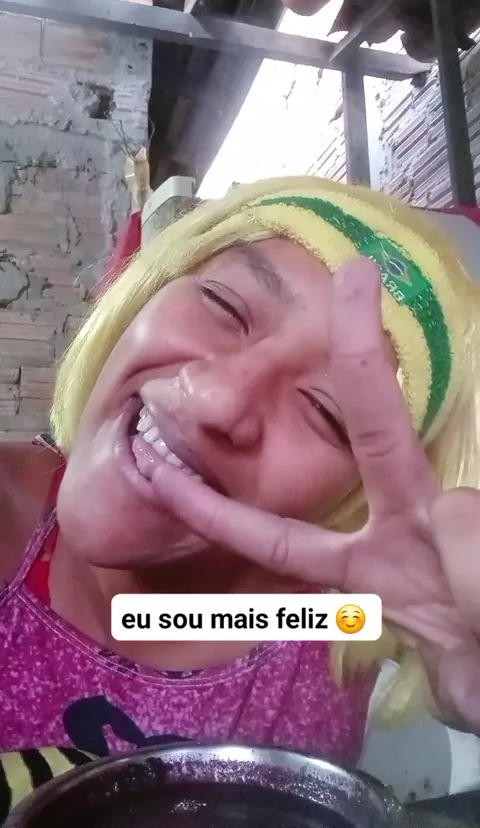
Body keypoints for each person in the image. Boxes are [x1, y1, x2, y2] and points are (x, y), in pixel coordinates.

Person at [1, 176, 480, 792]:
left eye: (325, 411)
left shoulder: (327, 619)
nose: (218, 401)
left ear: (353, 496)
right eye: (224, 306)